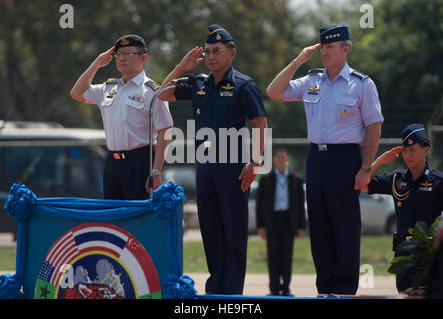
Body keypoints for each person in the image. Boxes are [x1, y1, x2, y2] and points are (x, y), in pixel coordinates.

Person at [266, 24, 384, 295]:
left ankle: (343, 289)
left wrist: (366, 167)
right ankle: (325, 288)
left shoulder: (361, 84)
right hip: (315, 159)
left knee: (344, 225)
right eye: (322, 48)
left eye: (331, 47)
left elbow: (374, 126)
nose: (325, 53)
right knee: (318, 225)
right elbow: (274, 91)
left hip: (345, 159)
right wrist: (298, 60)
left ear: (346, 49)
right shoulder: (311, 80)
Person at [158, 24, 268, 294]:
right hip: (205, 166)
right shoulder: (198, 83)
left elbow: (260, 121)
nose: (210, 56)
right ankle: (216, 289)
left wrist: (255, 162)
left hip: (233, 166)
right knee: (210, 230)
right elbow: (161, 94)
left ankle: (232, 292)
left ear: (232, 53)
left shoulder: (243, 85)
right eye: (206, 52)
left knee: (233, 231)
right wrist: (181, 68)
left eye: (216, 51)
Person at [70, 34, 173, 200]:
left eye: (128, 54)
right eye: (119, 55)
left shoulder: (153, 91)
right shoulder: (109, 88)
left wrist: (156, 170)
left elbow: (165, 131)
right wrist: (96, 64)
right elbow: (76, 93)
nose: (122, 58)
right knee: (113, 217)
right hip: (112, 161)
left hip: (140, 162)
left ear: (143, 57)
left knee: (137, 216)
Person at [362, 123, 443, 292]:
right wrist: (381, 161)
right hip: (403, 254)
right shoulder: (397, 179)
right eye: (404, 151)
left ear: (426, 149)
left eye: (412, 150)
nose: (407, 155)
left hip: (429, 255)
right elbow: (363, 185)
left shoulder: (437, 182)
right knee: (403, 293)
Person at [256, 148, 307, 296]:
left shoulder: (296, 180)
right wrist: (260, 225)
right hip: (272, 221)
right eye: (278, 157)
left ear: (288, 159)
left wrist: (301, 225)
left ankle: (286, 288)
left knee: (286, 256)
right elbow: (259, 205)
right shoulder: (266, 179)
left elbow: (300, 203)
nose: (280, 160)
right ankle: (273, 288)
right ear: (274, 160)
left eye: (283, 157)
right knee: (273, 256)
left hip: (288, 221)